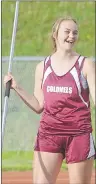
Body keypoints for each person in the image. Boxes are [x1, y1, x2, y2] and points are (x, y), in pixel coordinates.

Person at [4, 16, 95, 184]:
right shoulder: (43, 67)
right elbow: (39, 105)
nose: (71, 36)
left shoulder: (86, 65)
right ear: (55, 34)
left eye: (75, 32)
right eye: (67, 32)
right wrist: (16, 87)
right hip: (49, 133)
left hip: (78, 134)